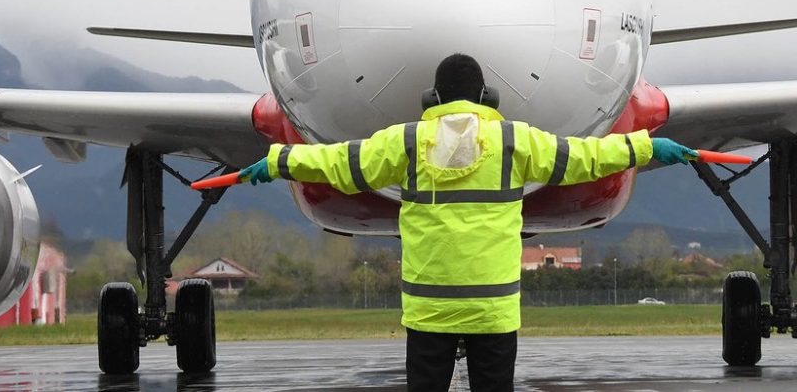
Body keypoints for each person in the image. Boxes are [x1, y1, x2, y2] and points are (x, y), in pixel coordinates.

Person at [238, 53, 697, 391]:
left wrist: (281, 160)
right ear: (487, 97)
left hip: (429, 312)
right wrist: (647, 147)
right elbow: (586, 157)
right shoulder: (513, 141)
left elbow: (340, 163)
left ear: (431, 98)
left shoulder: (407, 142)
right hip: (493, 312)